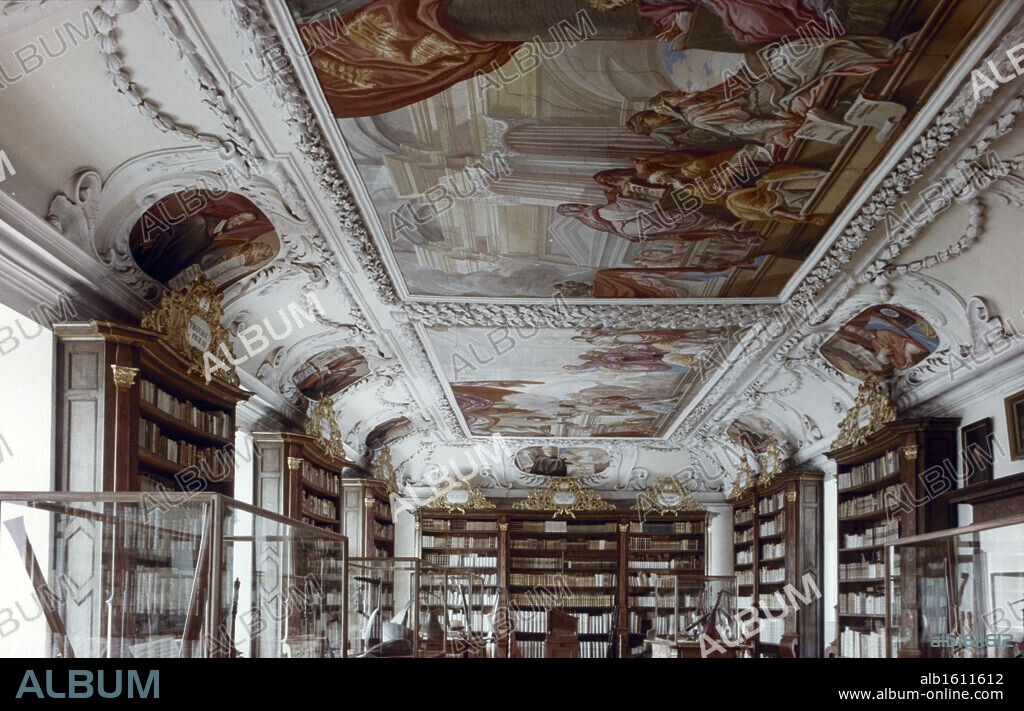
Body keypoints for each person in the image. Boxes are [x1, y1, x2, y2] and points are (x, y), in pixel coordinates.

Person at [133, 210, 259, 283]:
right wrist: (144, 265)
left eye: (243, 223)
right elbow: (163, 234)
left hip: (156, 276)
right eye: (240, 219)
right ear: (233, 216)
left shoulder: (212, 235)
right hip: (145, 267)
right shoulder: (199, 222)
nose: (239, 224)